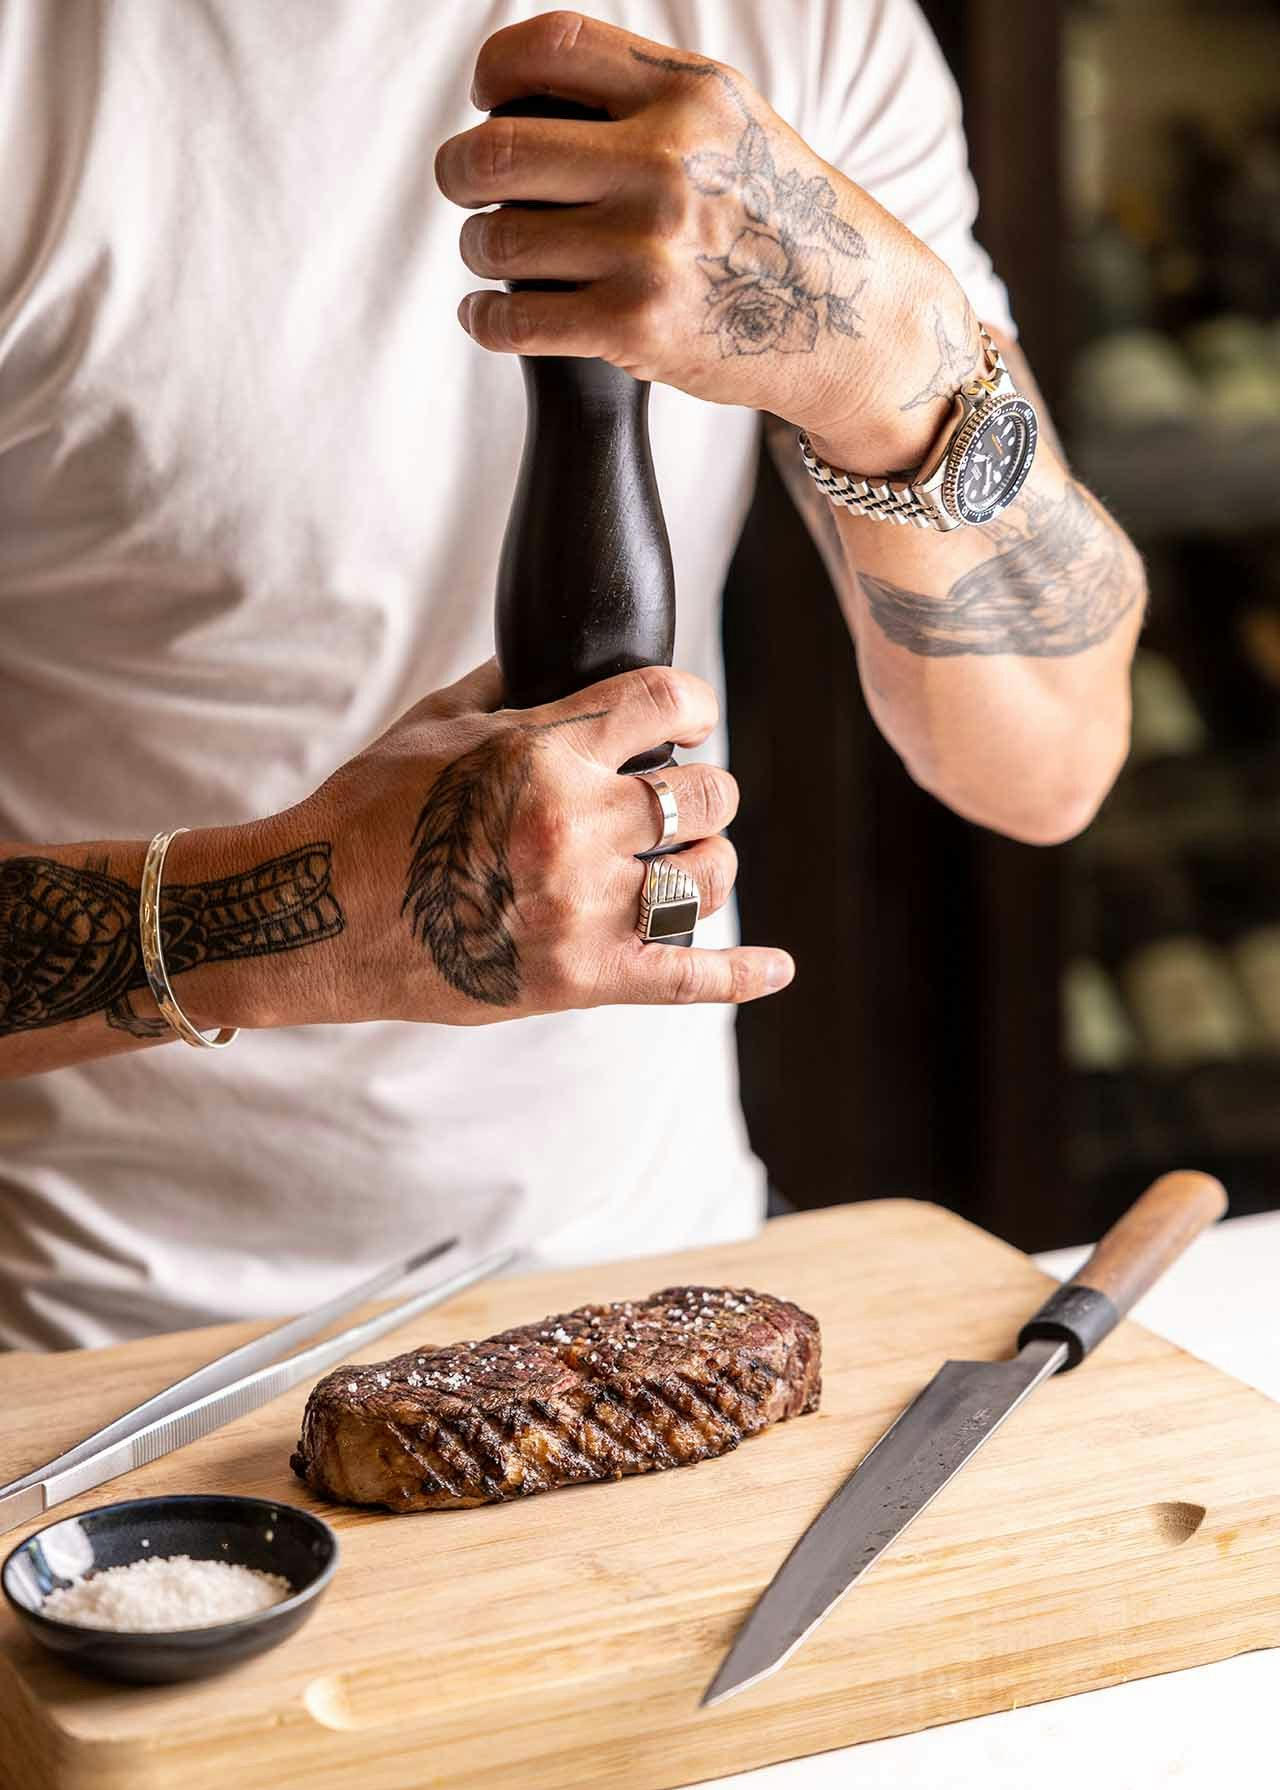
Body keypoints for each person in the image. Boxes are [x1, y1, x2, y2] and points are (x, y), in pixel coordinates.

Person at [0, 2, 1143, 1350]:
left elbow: (1050, 756)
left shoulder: (806, 24)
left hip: (656, 1300)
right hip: (101, 1361)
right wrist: (295, 917)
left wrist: (895, 369)